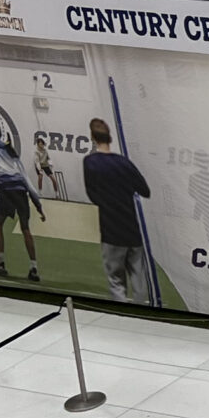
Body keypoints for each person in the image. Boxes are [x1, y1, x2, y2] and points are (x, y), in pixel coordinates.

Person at [80, 118, 153, 303]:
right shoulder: (124, 163)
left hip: (111, 231)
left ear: (92, 137)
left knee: (116, 282)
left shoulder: (90, 162)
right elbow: (145, 190)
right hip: (132, 230)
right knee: (139, 282)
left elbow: (92, 196)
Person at [0, 119, 42, 280]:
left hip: (5, 190)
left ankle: (0, 263)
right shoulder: (10, 150)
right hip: (20, 191)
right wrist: (37, 203)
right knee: (26, 228)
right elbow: (25, 177)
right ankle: (33, 269)